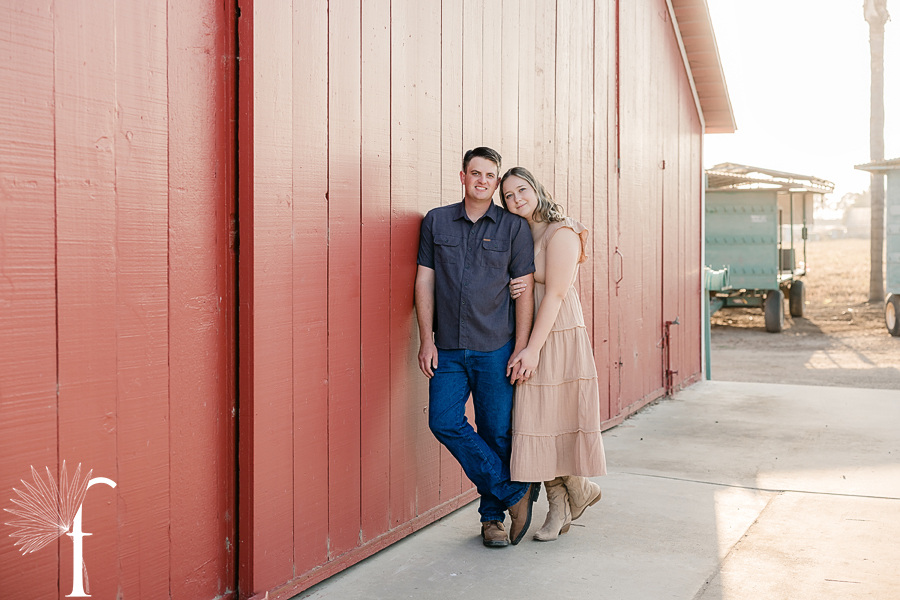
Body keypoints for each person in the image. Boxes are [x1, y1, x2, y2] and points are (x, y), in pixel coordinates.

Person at [415, 147, 542, 547]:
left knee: (496, 433)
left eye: (490, 175)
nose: (482, 180)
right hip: (448, 348)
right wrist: (425, 339)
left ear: (496, 180)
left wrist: (521, 347)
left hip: (496, 347)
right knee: (443, 421)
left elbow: (525, 291)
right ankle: (514, 492)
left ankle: (492, 520)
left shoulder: (513, 228)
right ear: (463, 176)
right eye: (476, 173)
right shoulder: (436, 221)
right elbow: (424, 281)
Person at [502, 166, 607, 542]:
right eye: (508, 195)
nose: (516, 199)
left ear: (536, 189)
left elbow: (558, 293)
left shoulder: (562, 231)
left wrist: (532, 349)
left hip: (557, 331)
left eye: (522, 190)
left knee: (554, 414)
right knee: (538, 417)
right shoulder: (519, 233)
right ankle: (571, 496)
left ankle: (566, 499)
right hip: (529, 330)